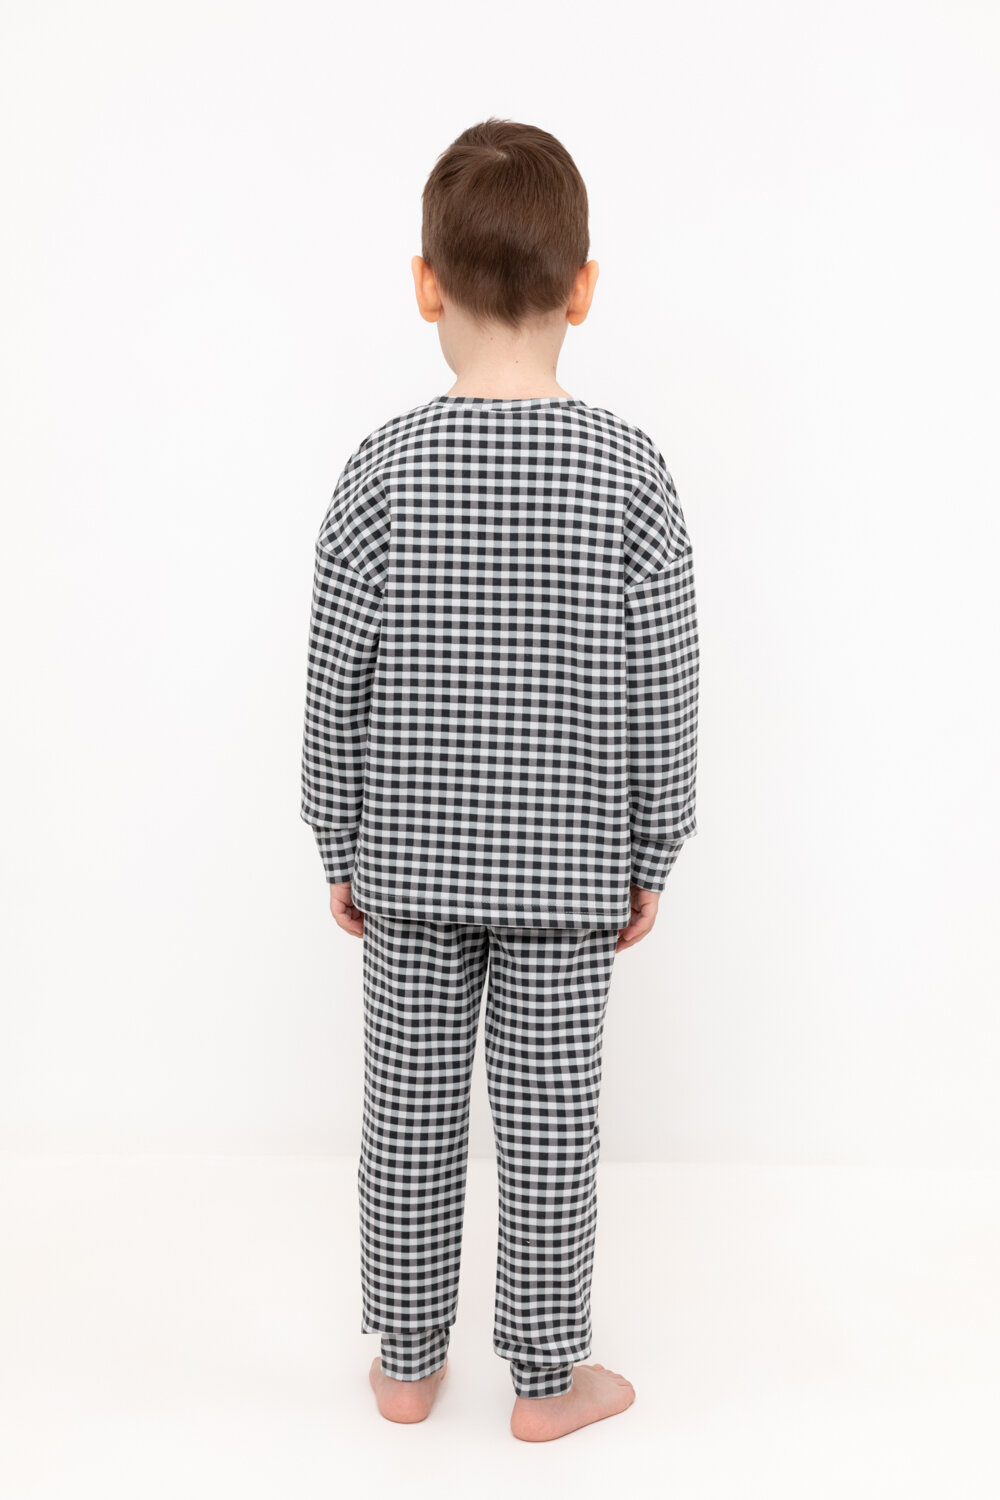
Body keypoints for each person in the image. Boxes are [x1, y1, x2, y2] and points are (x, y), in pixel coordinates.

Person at [299, 117, 699, 1442]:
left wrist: (339, 838)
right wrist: (654, 846)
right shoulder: (630, 473)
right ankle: (545, 1379)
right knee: (548, 1131)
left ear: (426, 286)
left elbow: (334, 679)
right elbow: (666, 685)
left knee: (407, 1118)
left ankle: (406, 1363)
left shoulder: (381, 468)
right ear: (584, 289)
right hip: (570, 875)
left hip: (410, 871)